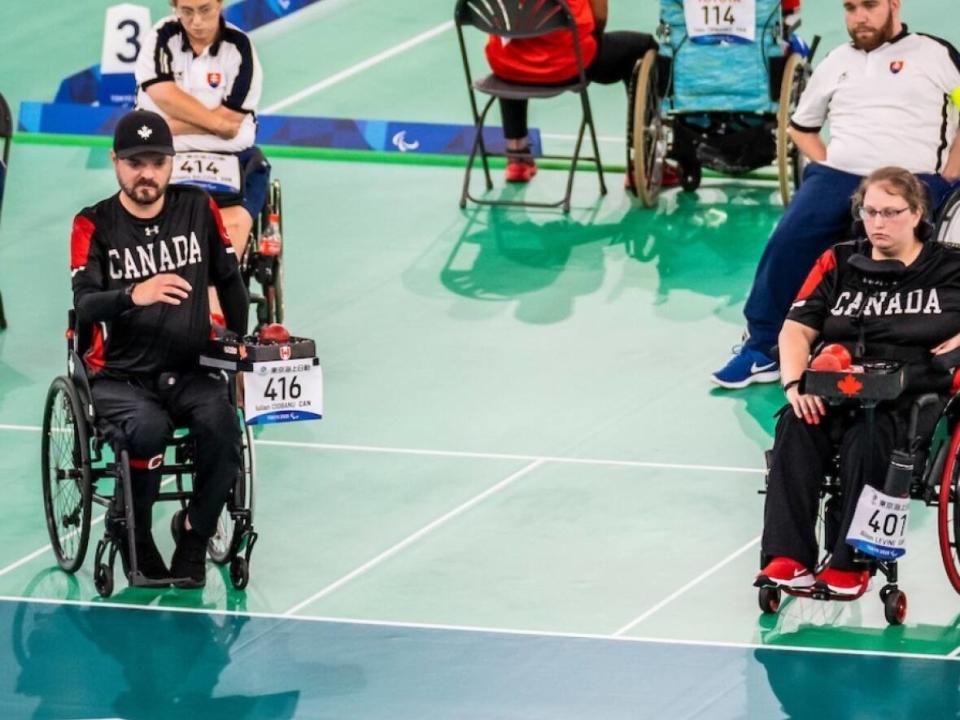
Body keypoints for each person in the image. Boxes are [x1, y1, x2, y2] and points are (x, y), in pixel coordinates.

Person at [711, 0, 960, 389]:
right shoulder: (835, 61)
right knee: (789, 240)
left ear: (894, 5)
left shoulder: (937, 54)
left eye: (869, 6)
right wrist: (834, 166)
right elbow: (800, 128)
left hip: (914, 177)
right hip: (841, 173)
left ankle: (874, 348)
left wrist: (949, 176)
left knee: (880, 242)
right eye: (849, 8)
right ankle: (764, 347)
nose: (858, 17)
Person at [757, 166, 960, 596]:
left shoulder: (950, 266)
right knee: (796, 423)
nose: (878, 223)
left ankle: (853, 563)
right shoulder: (838, 261)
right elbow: (796, 327)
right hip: (838, 385)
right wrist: (795, 386)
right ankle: (788, 558)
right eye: (870, 212)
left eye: (891, 212)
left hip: (910, 395)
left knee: (869, 435)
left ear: (917, 212)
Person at [70, 109, 248, 589]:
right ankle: (135, 530)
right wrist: (134, 294)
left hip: (189, 369)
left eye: (156, 161)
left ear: (171, 163)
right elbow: (85, 305)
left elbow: (229, 281)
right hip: (120, 377)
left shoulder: (197, 208)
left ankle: (193, 533)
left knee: (223, 429)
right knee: (148, 429)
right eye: (135, 163)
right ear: (115, 163)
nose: (146, 173)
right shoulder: (94, 225)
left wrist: (242, 344)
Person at [135, 0, 267, 257]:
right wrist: (217, 125)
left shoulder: (239, 47)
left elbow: (233, 118)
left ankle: (223, 287)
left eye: (205, 9)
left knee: (232, 227)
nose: (196, 21)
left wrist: (167, 125)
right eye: (186, 11)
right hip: (166, 153)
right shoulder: (162, 37)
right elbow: (165, 94)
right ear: (175, 8)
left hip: (230, 156)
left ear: (219, 4)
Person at [484, 0, 662, 184]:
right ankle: (643, 164)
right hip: (568, 63)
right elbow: (600, 17)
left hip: (508, 65)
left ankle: (516, 156)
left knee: (515, 51)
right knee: (643, 47)